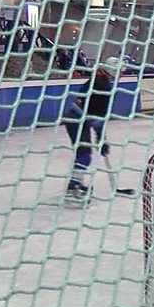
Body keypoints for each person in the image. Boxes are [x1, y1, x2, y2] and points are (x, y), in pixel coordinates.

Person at [63, 57, 122, 201]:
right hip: (77, 121)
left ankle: (74, 183)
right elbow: (99, 119)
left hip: (76, 119)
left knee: (83, 154)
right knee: (85, 155)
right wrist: (101, 139)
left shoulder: (96, 80)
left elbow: (94, 115)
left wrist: (101, 138)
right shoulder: (103, 86)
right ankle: (73, 188)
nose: (121, 73)